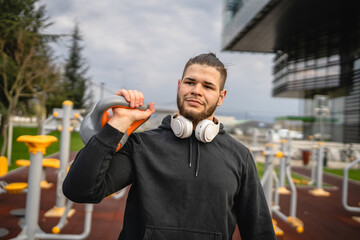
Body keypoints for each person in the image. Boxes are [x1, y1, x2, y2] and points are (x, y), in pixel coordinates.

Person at [63, 53, 276, 240]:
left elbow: (259, 230)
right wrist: (118, 122)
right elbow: (80, 190)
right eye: (190, 82)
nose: (196, 91)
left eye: (208, 86)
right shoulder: (141, 145)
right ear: (179, 86)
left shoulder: (239, 156)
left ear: (221, 97)